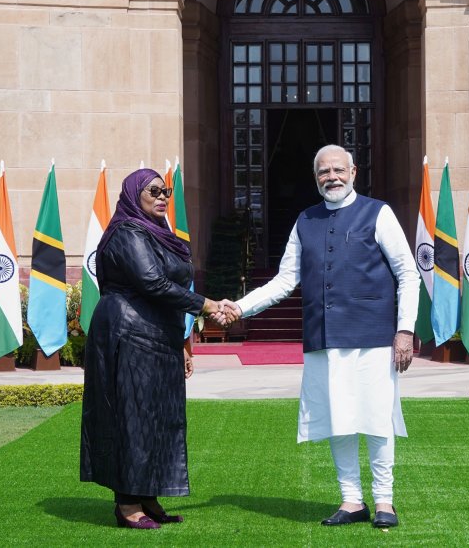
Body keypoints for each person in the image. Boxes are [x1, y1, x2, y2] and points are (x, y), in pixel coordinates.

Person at [222, 145, 420, 529]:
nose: (332, 177)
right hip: (323, 339)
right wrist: (240, 308)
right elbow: (284, 280)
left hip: (374, 336)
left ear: (353, 171)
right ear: (316, 178)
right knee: (338, 420)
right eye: (323, 172)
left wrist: (405, 330)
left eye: (338, 170)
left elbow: (407, 274)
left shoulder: (378, 213)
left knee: (377, 419)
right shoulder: (305, 220)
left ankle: (385, 501)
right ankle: (351, 500)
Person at [80, 168, 228, 530]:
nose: (163, 197)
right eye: (154, 191)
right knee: (132, 417)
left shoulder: (160, 234)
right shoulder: (127, 232)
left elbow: (168, 290)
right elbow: (152, 282)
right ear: (134, 194)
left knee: (160, 416)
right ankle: (127, 504)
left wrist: (183, 343)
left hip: (158, 335)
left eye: (167, 191)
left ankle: (148, 496)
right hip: (128, 334)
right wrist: (207, 304)